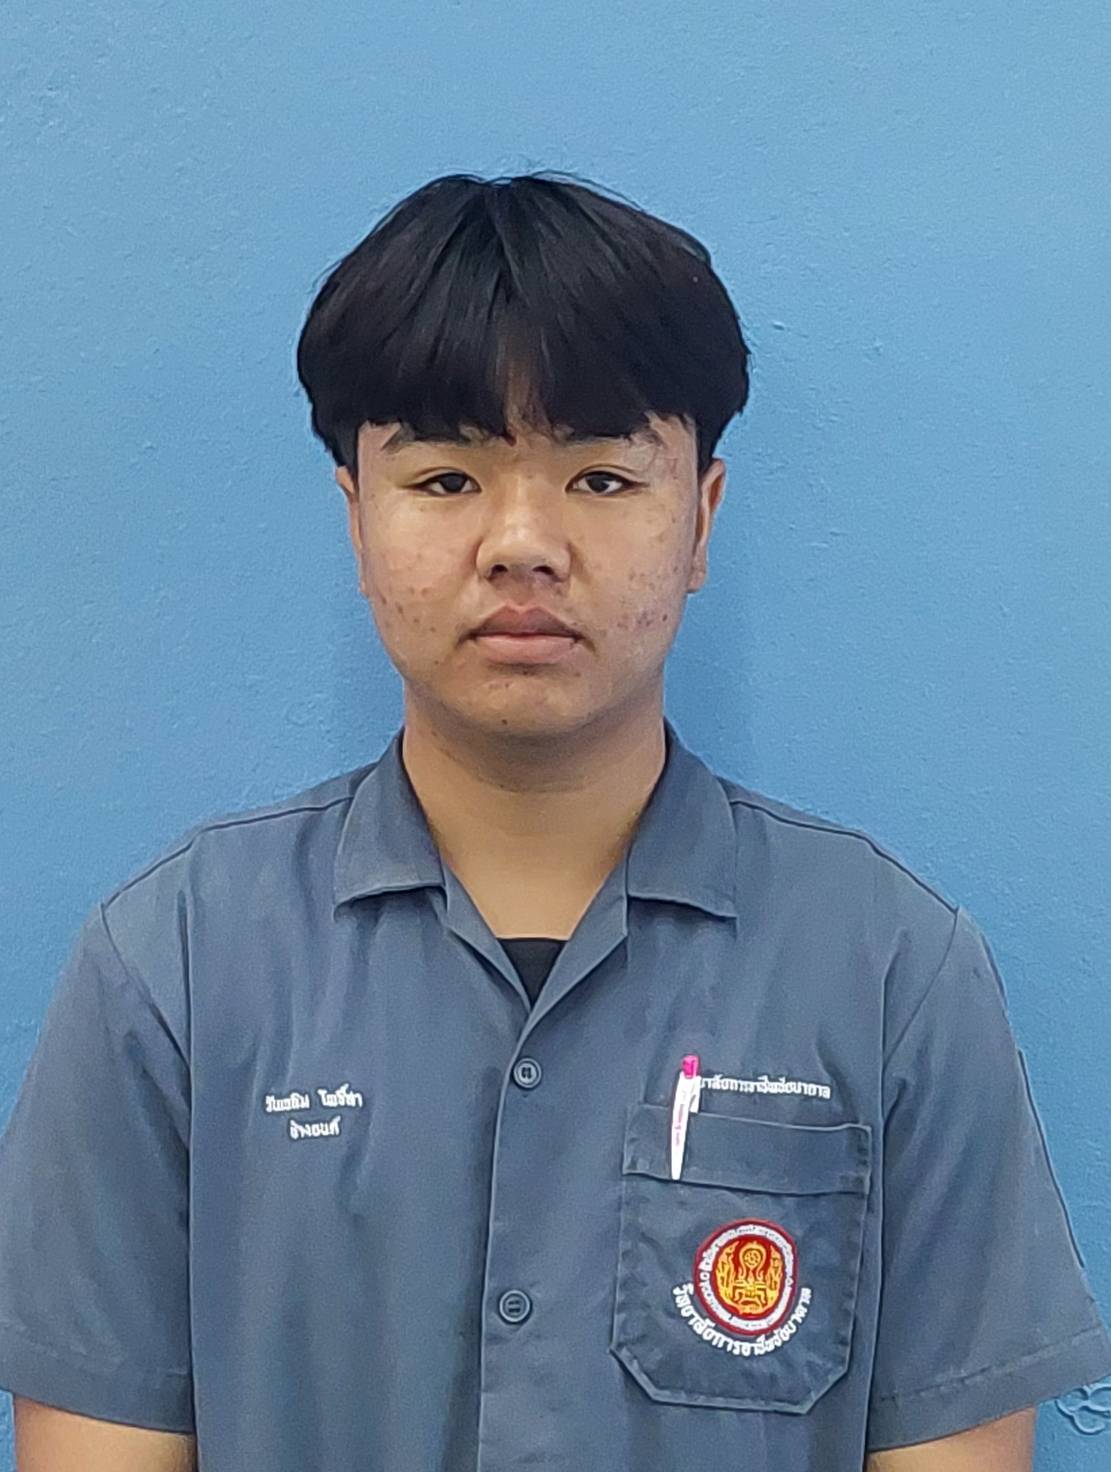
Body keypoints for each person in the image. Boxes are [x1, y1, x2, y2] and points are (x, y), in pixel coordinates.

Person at [1, 170, 1108, 1472]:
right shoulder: (174, 970)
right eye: (446, 478)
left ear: (700, 520)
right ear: (356, 518)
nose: (522, 543)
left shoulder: (891, 975)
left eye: (600, 477)